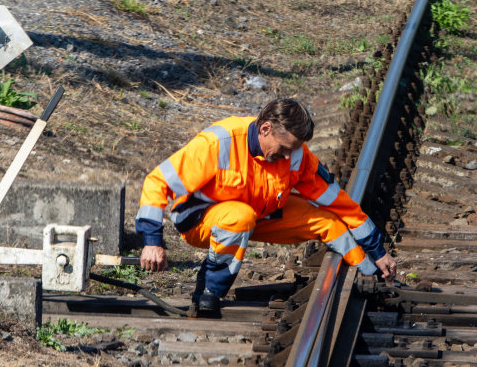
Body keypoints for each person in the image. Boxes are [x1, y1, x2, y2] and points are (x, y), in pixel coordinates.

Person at [136, 97, 397, 317]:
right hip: (201, 220)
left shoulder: (296, 154)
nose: (287, 157)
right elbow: (157, 181)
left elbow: (340, 203)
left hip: (258, 213)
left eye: (292, 150)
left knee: (327, 220)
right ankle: (208, 292)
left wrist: (377, 253)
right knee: (240, 217)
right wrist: (152, 242)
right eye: (283, 149)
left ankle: (369, 273)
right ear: (265, 129)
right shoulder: (219, 143)